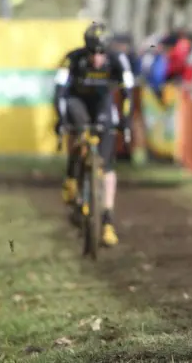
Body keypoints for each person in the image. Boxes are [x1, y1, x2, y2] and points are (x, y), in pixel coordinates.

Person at [54, 22, 135, 247]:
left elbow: (127, 92)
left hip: (102, 105)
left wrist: (125, 122)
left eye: (101, 53)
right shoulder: (73, 58)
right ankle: (72, 176)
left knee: (108, 166)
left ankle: (107, 220)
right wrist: (61, 120)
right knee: (78, 131)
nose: (96, 58)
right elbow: (59, 91)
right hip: (77, 102)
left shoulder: (118, 59)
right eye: (92, 52)